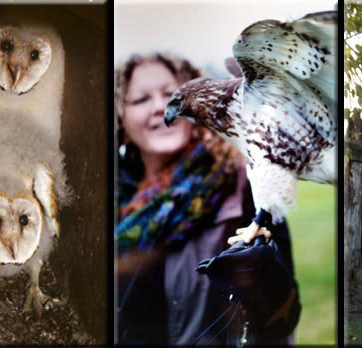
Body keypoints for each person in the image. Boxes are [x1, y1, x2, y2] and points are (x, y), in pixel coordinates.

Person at [114, 53, 300, 345]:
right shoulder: (111, 203)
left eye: (170, 94)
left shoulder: (244, 183)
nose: (160, 106)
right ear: (119, 117)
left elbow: (283, 317)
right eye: (140, 99)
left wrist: (260, 275)